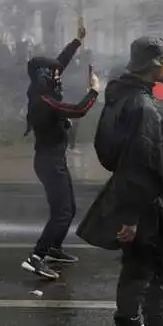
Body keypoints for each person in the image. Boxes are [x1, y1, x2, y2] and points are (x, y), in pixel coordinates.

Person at [89, 36, 163, 326]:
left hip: (145, 198)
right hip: (141, 202)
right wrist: (130, 216)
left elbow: (109, 151)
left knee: (158, 265)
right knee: (138, 271)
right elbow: (138, 163)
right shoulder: (141, 105)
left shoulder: (127, 97)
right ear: (154, 65)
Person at [21, 25, 99, 280]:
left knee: (67, 208)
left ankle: (54, 247)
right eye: (53, 74)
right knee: (63, 211)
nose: (59, 76)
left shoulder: (41, 90)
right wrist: (95, 91)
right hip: (49, 162)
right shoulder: (44, 101)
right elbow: (77, 111)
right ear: (44, 76)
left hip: (52, 159)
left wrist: (77, 41)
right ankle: (37, 256)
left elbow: (59, 63)